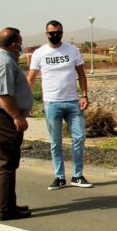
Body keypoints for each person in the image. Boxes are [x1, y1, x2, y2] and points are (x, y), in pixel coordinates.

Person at [27, 20, 93, 190]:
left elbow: (81, 74)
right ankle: (59, 177)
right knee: (55, 141)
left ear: (62, 33)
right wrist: (27, 102)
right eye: (52, 33)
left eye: (58, 32)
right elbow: (31, 78)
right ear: (46, 34)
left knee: (79, 138)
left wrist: (84, 95)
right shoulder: (39, 53)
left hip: (73, 102)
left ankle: (77, 176)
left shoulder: (72, 50)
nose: (55, 35)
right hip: (51, 103)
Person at [0, 28, 33, 220]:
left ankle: (7, 204)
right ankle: (6, 210)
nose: (21, 46)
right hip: (2, 117)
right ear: (14, 44)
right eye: (20, 42)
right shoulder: (4, 62)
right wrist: (17, 116)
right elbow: (3, 94)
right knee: (6, 163)